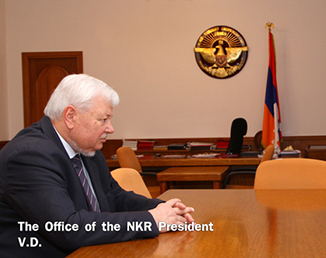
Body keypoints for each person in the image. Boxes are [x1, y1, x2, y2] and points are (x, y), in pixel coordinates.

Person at [0, 74, 194, 257]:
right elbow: (67, 228)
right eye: (103, 119)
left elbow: (114, 197)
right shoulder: (29, 156)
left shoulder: (86, 148)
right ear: (70, 116)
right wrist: (151, 220)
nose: (110, 128)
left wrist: (164, 209)